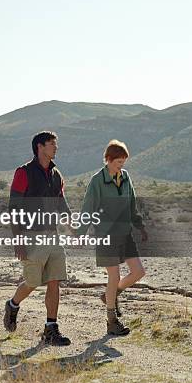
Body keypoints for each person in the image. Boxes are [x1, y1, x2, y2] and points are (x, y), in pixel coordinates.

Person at [3, 131, 72, 346]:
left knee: (55, 280)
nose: (56, 147)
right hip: (30, 235)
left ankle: (51, 329)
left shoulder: (56, 174)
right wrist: (18, 240)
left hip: (53, 236)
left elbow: (61, 202)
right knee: (33, 281)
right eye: (52, 144)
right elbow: (14, 207)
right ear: (40, 147)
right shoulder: (23, 172)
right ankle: (13, 305)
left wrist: (73, 227)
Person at [80, 140, 148, 336]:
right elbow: (88, 208)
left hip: (125, 233)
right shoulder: (97, 181)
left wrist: (140, 226)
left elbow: (132, 204)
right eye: (118, 161)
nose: (121, 165)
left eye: (123, 162)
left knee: (138, 272)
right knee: (114, 275)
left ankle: (110, 294)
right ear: (108, 160)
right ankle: (111, 321)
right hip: (105, 234)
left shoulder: (125, 177)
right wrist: (82, 232)